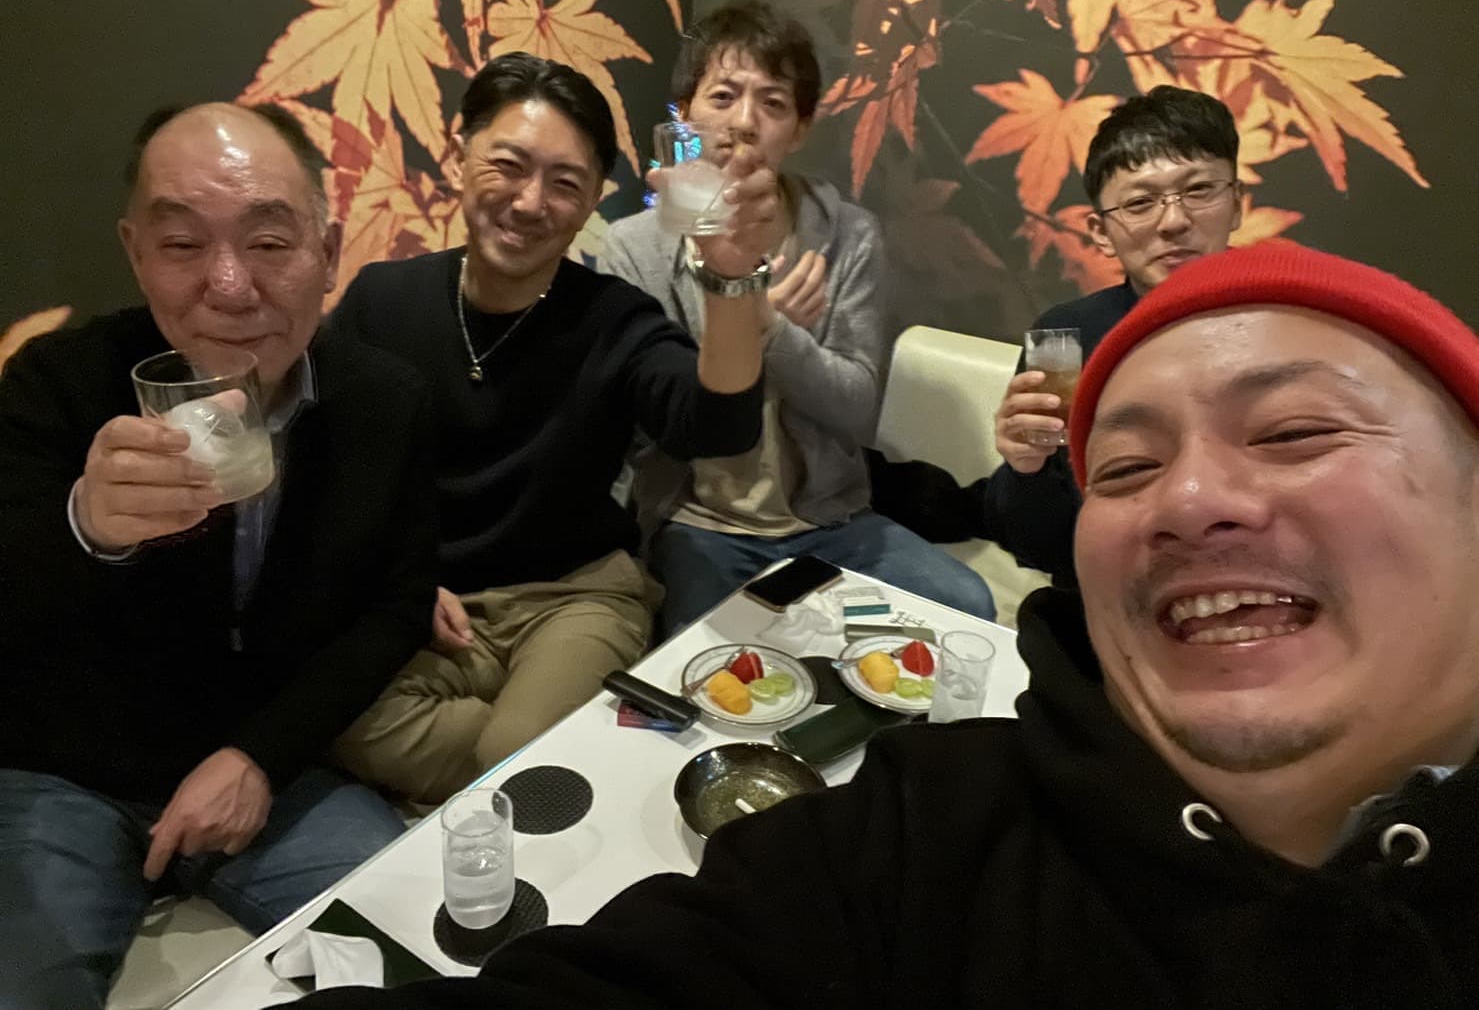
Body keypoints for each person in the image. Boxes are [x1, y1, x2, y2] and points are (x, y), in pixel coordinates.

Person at [298, 241, 1479, 1008]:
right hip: (689, 535)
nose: (1188, 496)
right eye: (1126, 466)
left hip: (823, 517)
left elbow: (823, 409)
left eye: (1294, 432)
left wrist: (756, 313)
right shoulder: (923, 831)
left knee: (950, 597)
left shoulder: (837, 238)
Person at [0, 103, 436, 1009]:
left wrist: (259, 756)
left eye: (269, 243)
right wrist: (87, 524)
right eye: (183, 245)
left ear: (328, 249)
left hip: (269, 767)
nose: (230, 287)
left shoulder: (384, 401)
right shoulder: (55, 382)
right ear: (135, 252)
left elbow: (396, 605)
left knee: (413, 940)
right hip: (64, 773)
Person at [330, 52, 769, 804]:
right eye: (508, 165)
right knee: (340, 715)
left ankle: (537, 751)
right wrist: (393, 578)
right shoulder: (382, 300)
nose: (531, 203)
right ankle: (570, 751)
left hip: (575, 596)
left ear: (594, 198)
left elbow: (720, 425)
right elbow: (332, 460)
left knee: (511, 755)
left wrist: (731, 277)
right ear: (460, 155)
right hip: (433, 603)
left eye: (565, 183)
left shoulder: (615, 319)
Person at [602, 0, 998, 635]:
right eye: (723, 96)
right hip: (701, 524)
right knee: (711, 654)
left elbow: (856, 408)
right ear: (686, 113)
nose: (744, 122)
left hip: (830, 522)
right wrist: (744, 316)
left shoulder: (847, 237)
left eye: (773, 103)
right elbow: (647, 426)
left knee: (966, 609)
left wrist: (772, 328)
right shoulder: (634, 249)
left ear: (800, 128)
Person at [871, 85, 1243, 586]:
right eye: (1140, 202)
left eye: (1198, 190)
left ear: (1237, 204)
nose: (1174, 221)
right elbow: (1042, 544)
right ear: (1101, 232)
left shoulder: (1296, 330)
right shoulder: (1068, 338)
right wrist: (1026, 466)